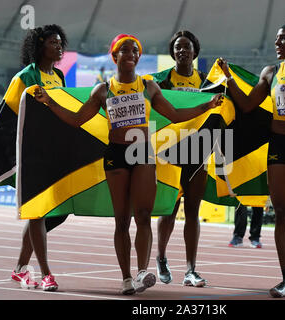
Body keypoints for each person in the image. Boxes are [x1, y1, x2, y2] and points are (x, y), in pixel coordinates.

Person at [34, 34, 223, 295]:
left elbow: (176, 115)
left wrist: (208, 105)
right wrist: (49, 101)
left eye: (135, 50)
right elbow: (77, 120)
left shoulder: (148, 87)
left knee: (143, 215)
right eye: (125, 50)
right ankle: (126, 278)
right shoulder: (102, 90)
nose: (131, 54)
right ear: (114, 56)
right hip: (116, 155)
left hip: (142, 153)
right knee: (122, 221)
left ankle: (143, 270)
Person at [218, 22, 285, 298]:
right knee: (283, 212)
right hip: (279, 145)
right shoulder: (271, 72)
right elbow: (248, 105)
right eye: (276, 39)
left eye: (283, 39)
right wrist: (228, 79)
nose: (277, 43)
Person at [0, 25, 68, 291]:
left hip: (51, 154)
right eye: (54, 42)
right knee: (38, 212)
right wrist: (14, 155)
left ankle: (19, 269)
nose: (59, 46)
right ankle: (46, 274)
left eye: (61, 42)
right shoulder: (24, 78)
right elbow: (4, 118)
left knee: (58, 212)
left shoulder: (60, 76)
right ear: (40, 46)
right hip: (29, 155)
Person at [153, 30, 210, 287]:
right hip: (169, 152)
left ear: (195, 52)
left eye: (186, 47)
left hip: (198, 151)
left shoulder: (207, 82)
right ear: (173, 52)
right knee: (169, 209)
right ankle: (161, 257)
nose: (182, 51)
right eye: (177, 47)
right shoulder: (161, 81)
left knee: (193, 212)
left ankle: (190, 270)